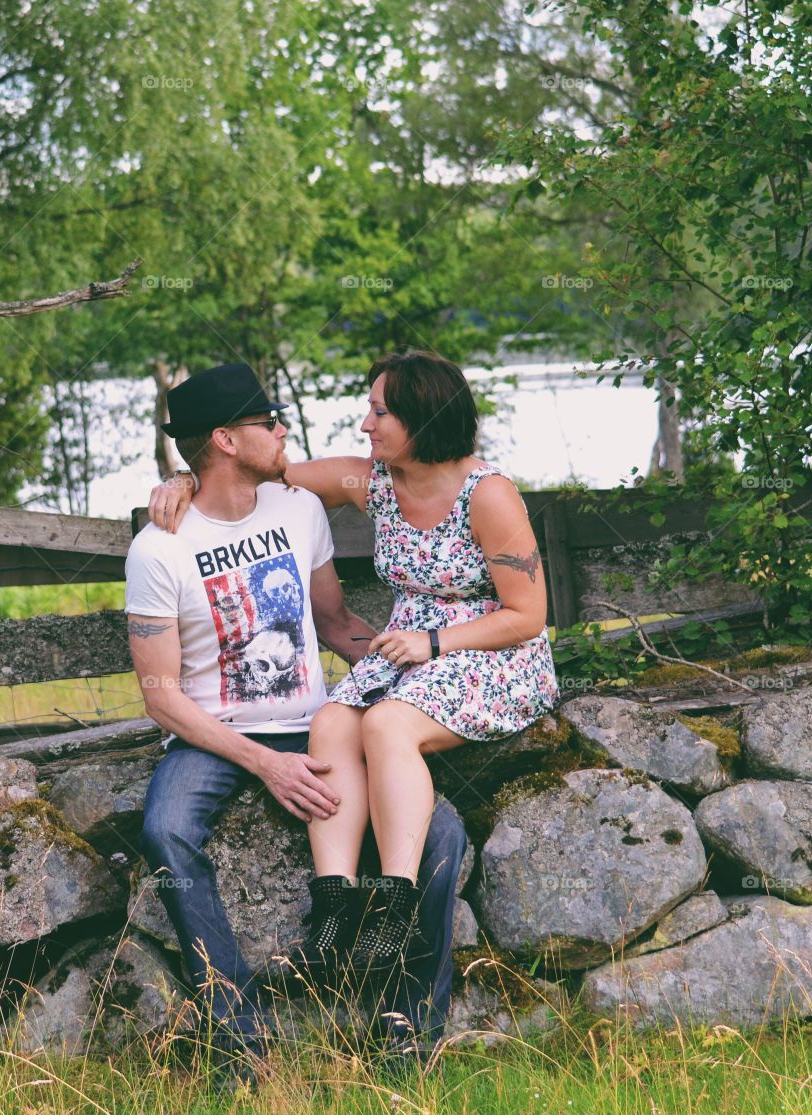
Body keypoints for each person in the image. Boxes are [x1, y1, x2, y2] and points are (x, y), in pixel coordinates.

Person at [148, 351, 561, 1019]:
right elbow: (255, 464)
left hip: (491, 652)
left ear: (422, 419)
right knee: (335, 718)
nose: (365, 424)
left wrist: (433, 642)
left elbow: (530, 614)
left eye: (379, 412)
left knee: (384, 724)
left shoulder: (488, 494)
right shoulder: (373, 483)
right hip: (413, 653)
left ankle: (394, 905)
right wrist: (181, 475)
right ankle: (337, 906)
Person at [126, 361, 468, 1089]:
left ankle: (408, 1029)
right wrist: (262, 763)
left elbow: (337, 623)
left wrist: (431, 677)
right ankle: (237, 1042)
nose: (284, 427)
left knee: (440, 831)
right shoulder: (158, 547)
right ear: (224, 438)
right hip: (212, 736)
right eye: (268, 419)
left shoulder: (297, 509)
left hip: (317, 722)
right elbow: (160, 697)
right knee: (166, 829)